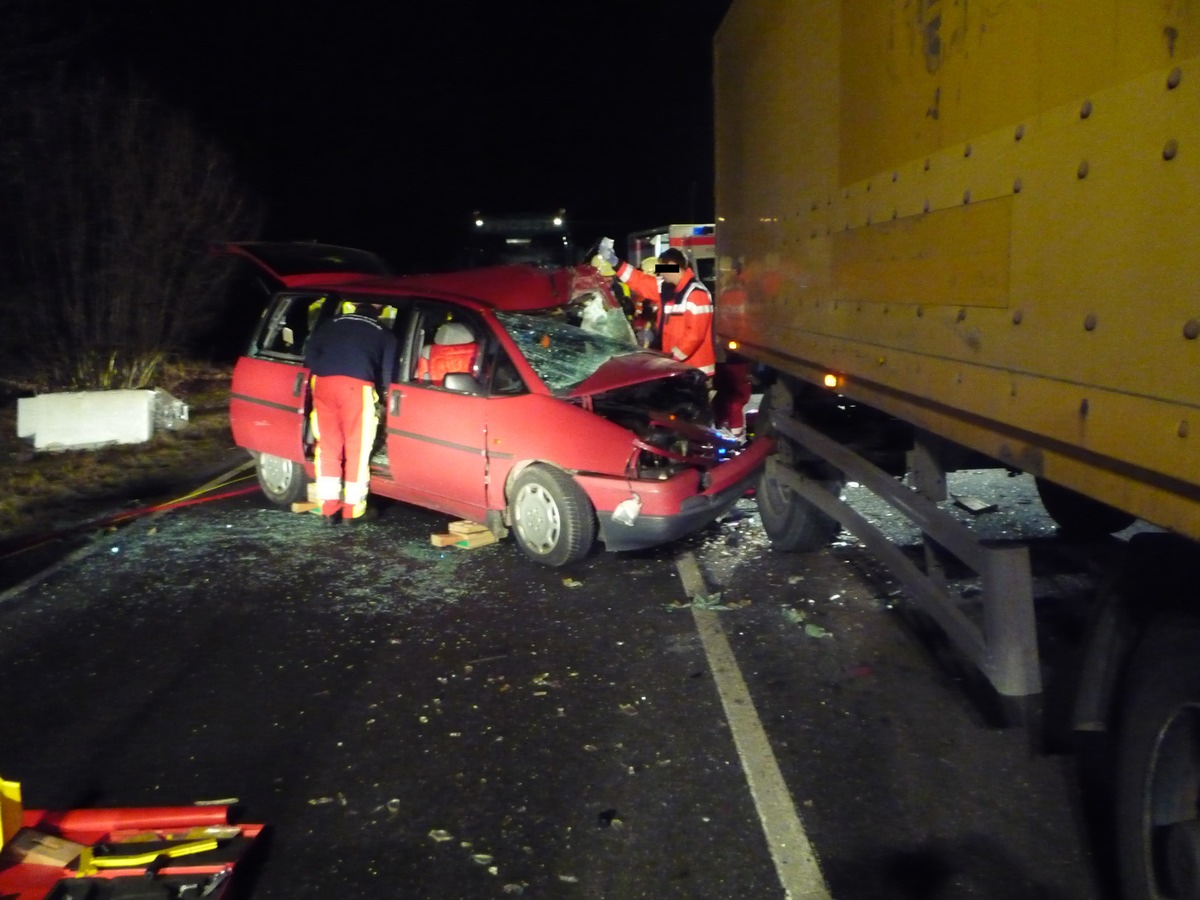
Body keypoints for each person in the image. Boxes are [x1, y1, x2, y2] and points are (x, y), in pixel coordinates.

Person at [303, 301, 398, 525]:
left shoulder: (329, 324)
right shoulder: (385, 335)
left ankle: (328, 509)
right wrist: (383, 398)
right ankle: (352, 512)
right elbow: (387, 375)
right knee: (358, 449)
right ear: (379, 309)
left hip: (323, 385)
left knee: (327, 448)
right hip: (357, 388)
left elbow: (310, 358)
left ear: (353, 307)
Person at [596, 239, 715, 375]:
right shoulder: (667, 288)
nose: (661, 274)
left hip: (695, 370)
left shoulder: (697, 294)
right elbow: (639, 280)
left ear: (672, 265)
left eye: (663, 269)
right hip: (678, 368)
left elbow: (694, 336)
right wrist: (614, 262)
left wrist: (672, 358)